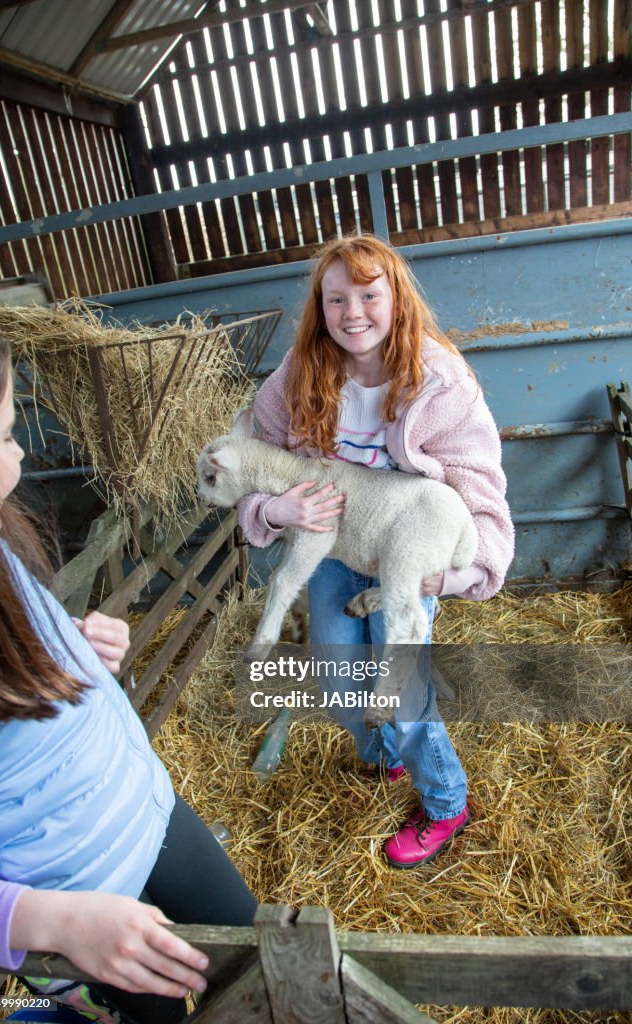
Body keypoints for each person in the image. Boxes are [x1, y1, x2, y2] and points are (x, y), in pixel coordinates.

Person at [0, 315, 257, 1023]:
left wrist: (67, 643)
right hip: (69, 894)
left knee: (256, 959)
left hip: (144, 806)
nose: (24, 456)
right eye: (5, 435)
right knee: (160, 1018)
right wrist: (49, 924)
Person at [238, 235, 514, 869]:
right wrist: (275, 511)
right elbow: (259, 467)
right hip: (335, 546)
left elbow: (480, 484)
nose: (352, 312)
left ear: (396, 298)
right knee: (340, 683)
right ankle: (387, 754)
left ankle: (446, 802)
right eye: (337, 298)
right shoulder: (295, 379)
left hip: (407, 553)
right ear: (321, 306)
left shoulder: (439, 380)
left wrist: (456, 576)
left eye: (369, 294)